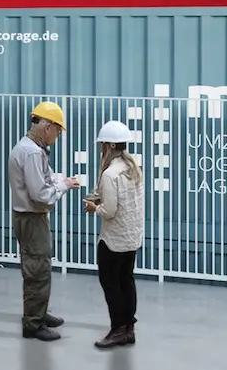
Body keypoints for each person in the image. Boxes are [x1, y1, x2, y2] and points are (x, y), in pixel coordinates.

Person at [9, 99, 79, 341]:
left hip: (29, 216)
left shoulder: (30, 148)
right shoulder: (31, 152)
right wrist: (64, 186)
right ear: (47, 127)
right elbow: (41, 195)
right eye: (58, 131)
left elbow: (43, 179)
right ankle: (33, 324)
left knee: (40, 266)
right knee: (37, 269)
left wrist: (60, 181)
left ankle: (38, 312)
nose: (58, 137)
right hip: (31, 217)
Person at [84, 120, 145, 349]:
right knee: (126, 281)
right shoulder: (133, 166)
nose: (101, 149)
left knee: (110, 284)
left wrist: (93, 207)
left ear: (108, 146)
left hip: (113, 240)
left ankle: (118, 329)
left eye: (102, 145)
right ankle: (128, 328)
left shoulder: (110, 174)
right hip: (132, 237)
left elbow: (109, 211)